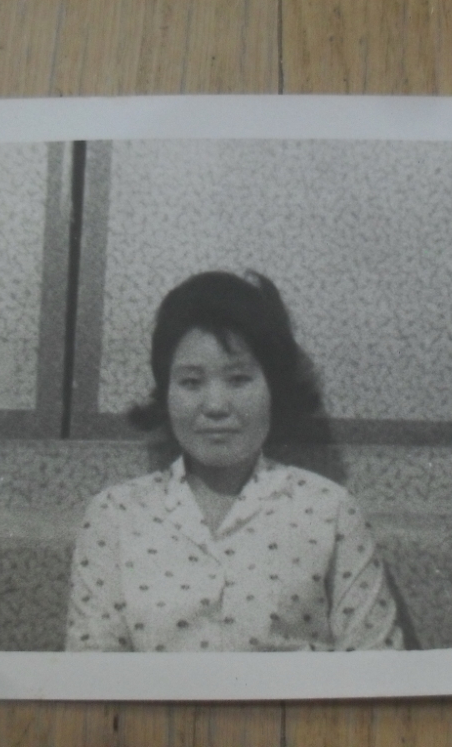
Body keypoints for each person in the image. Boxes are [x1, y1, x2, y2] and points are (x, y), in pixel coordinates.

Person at [66, 271, 404, 652]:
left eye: (239, 379)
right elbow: (91, 672)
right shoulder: (115, 515)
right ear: (167, 392)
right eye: (191, 382)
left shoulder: (331, 510)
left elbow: (379, 666)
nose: (215, 406)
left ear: (273, 387)